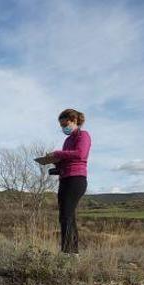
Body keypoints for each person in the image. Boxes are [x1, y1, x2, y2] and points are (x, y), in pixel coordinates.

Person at [47, 108, 90, 254]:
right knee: (66, 216)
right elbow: (66, 160)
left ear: (74, 121)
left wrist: (58, 153)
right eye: (61, 126)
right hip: (64, 179)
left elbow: (80, 154)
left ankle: (67, 252)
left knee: (66, 215)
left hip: (76, 179)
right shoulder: (67, 140)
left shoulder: (83, 135)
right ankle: (73, 252)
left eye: (65, 124)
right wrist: (55, 163)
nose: (63, 128)